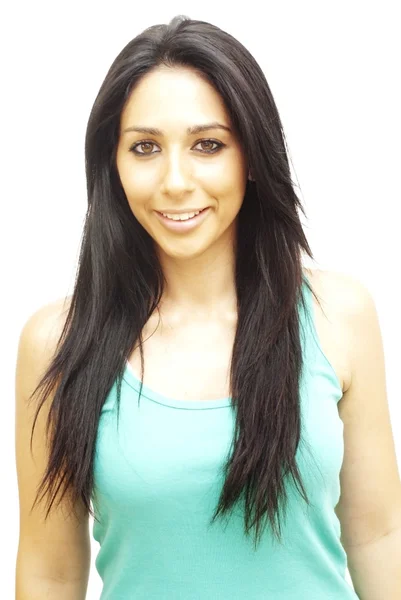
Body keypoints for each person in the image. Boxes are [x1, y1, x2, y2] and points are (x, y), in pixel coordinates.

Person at [15, 14, 401, 600]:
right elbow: (50, 572)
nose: (175, 180)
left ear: (252, 154)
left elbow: (378, 535)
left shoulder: (338, 314)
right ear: (111, 164)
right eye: (145, 147)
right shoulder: (56, 342)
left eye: (208, 145)